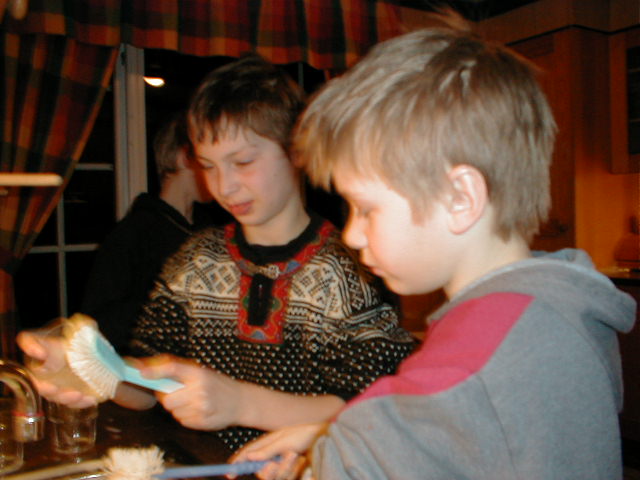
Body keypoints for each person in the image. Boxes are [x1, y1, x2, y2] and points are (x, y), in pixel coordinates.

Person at [230, 17, 638, 480]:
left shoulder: (474, 358)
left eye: (366, 208)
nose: (353, 234)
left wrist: (325, 461)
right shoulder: (548, 310)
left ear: (459, 198)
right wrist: (330, 433)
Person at [17, 54, 417, 452]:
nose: (224, 186)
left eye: (242, 162)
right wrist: (93, 370)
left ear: (296, 150)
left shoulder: (354, 267)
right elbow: (148, 389)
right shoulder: (195, 259)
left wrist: (239, 403)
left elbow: (371, 410)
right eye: (208, 166)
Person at [78, 113, 225, 354]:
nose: (220, 174)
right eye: (208, 162)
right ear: (184, 158)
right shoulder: (133, 233)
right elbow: (96, 325)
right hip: (148, 372)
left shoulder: (210, 232)